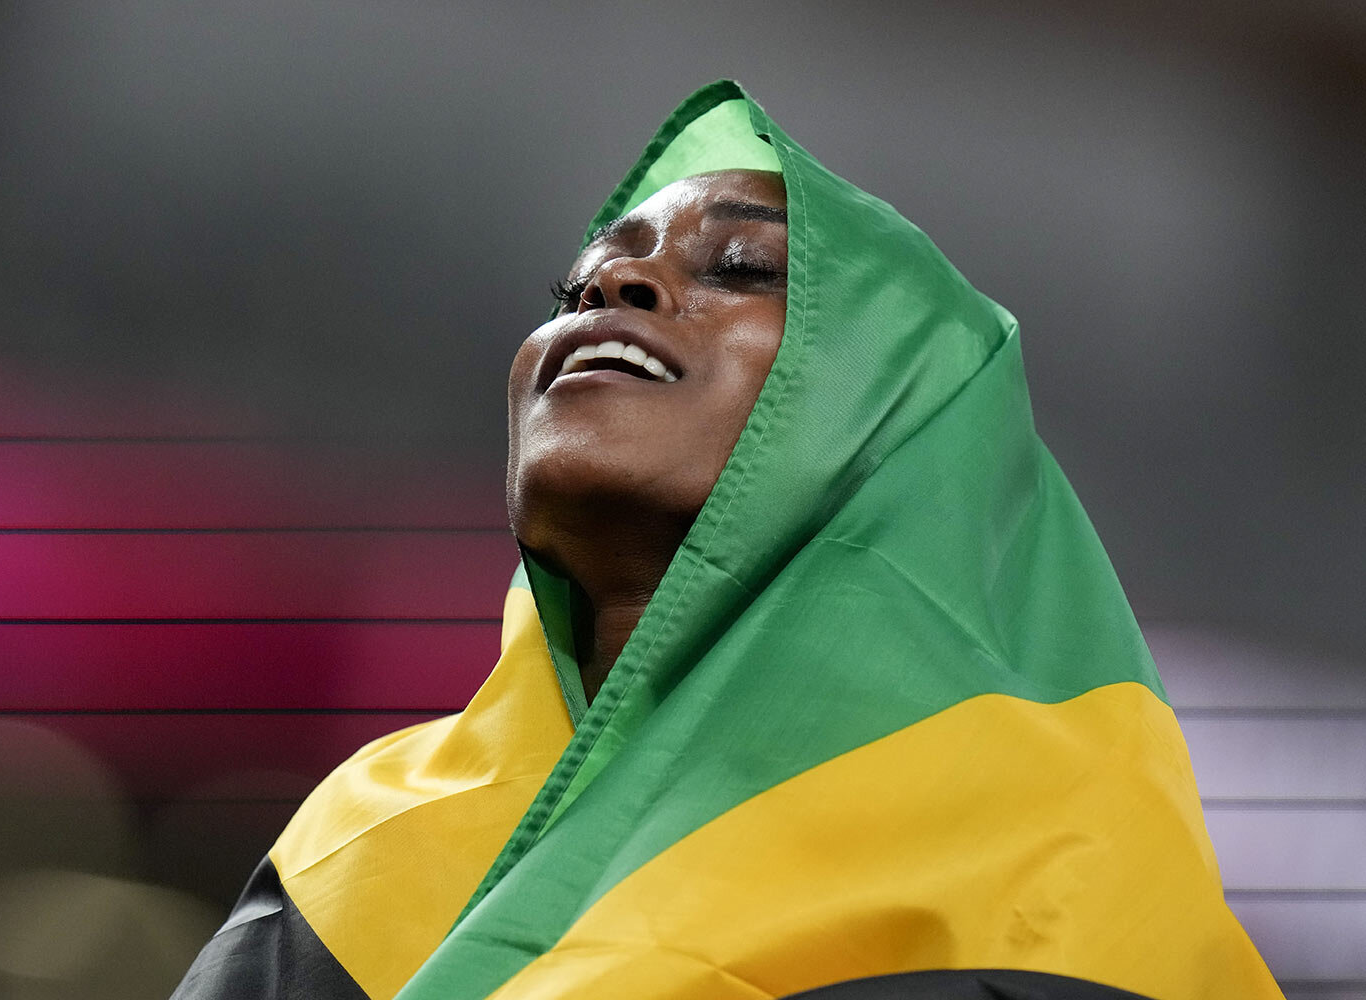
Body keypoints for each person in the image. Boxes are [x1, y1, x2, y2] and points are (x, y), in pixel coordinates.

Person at [172, 81, 1282, 1000]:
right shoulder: (365, 833)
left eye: (744, 269)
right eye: (578, 282)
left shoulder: (1065, 887)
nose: (611, 282)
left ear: (902, 422)